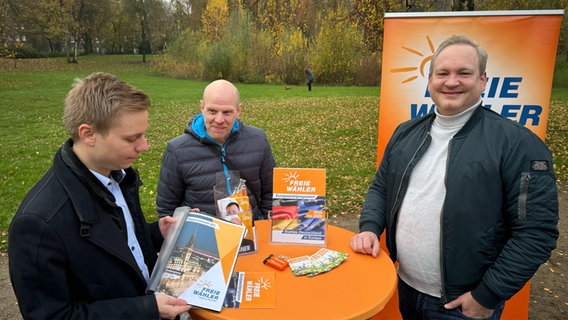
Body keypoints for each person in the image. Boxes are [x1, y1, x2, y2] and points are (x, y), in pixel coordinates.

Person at [350, 35, 558, 319]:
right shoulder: (405, 133)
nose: (451, 82)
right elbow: (381, 187)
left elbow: (536, 232)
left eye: (464, 73)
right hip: (406, 287)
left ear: (483, 80)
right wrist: (370, 227)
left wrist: (487, 295)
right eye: (443, 73)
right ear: (430, 79)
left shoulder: (517, 144)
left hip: (463, 304)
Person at [8, 72, 191, 319]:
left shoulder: (118, 176)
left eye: (143, 134)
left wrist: (156, 233)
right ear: (88, 134)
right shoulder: (38, 224)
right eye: (131, 138)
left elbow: (117, 245)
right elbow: (53, 316)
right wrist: (146, 309)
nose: (145, 146)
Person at [156, 79, 276, 220]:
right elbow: (167, 209)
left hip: (251, 236)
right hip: (204, 238)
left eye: (227, 112)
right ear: (202, 107)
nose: (219, 120)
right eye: (212, 111)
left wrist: (266, 226)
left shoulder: (258, 140)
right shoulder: (177, 150)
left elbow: (272, 192)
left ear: (239, 110)